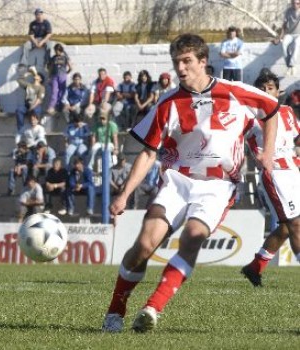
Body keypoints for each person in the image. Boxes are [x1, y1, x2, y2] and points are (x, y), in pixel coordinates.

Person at [101, 33, 278, 333]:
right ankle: (115, 311)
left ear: (203, 61)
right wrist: (124, 194)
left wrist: (268, 154)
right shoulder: (168, 102)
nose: (180, 68)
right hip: (177, 180)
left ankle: (152, 308)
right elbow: (148, 152)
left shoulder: (233, 92)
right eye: (176, 62)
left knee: (193, 237)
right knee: (144, 245)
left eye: (186, 61)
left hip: (217, 185)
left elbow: (271, 107)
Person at [241, 71, 300, 287]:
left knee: (286, 227)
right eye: (262, 89)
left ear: (278, 91)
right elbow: (234, 139)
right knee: (295, 223)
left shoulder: (287, 112)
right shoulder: (249, 116)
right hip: (274, 173)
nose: (266, 92)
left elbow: (297, 139)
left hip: (294, 171)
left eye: (270, 88)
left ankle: (254, 267)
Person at [272, 0, 300, 75]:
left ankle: (292, 65)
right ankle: (289, 65)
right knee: (284, 44)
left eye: (297, 3)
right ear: (291, 3)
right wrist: (280, 37)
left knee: (296, 44)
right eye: (293, 3)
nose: (295, 5)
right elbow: (284, 25)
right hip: (289, 33)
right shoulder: (288, 11)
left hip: (299, 34)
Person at [16, 67, 45, 132]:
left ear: (40, 79)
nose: (36, 75)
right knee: (19, 110)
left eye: (38, 76)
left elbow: (39, 99)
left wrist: (33, 106)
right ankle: (20, 130)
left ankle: (37, 129)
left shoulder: (41, 87)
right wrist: (28, 73)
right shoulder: (29, 85)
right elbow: (19, 80)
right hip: (27, 105)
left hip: (35, 105)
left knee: (36, 111)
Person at [46, 43, 72, 115]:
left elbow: (70, 67)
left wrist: (66, 72)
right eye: (55, 50)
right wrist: (49, 77)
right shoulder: (53, 58)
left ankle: (59, 107)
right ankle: (51, 106)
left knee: (62, 92)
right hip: (54, 76)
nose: (56, 52)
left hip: (62, 76)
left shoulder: (65, 57)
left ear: (61, 50)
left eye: (57, 50)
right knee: (54, 91)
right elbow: (50, 68)